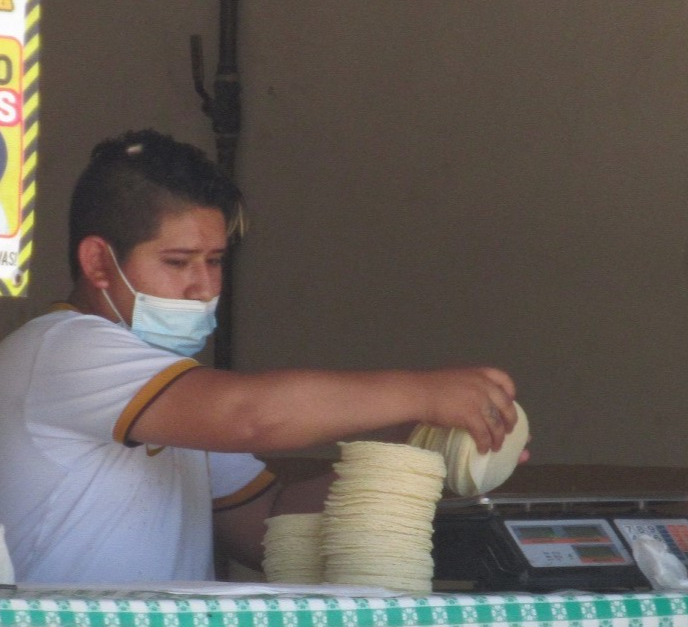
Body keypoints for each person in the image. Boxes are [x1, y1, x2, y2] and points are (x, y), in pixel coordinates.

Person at [0, 129, 523, 585]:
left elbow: (270, 529)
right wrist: (423, 394)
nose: (203, 286)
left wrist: (428, 456)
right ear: (97, 262)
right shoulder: (62, 350)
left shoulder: (176, 393)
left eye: (215, 261)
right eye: (178, 262)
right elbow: (253, 417)